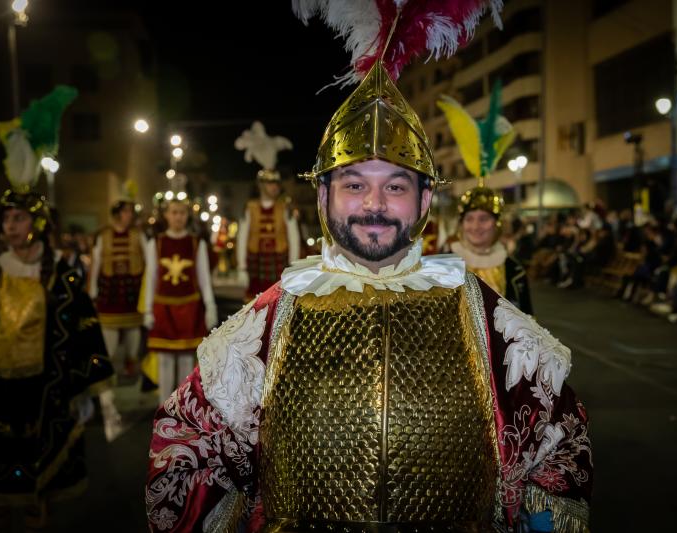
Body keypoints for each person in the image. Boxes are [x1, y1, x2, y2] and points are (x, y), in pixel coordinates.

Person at [146, 6, 591, 532]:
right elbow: (185, 446)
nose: (373, 204)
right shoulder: (264, 326)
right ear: (323, 196)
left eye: (396, 186)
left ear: (425, 201)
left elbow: (560, 450)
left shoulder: (492, 323)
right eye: (354, 184)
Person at [0, 86, 115, 531]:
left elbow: (84, 329)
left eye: (17, 218)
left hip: (43, 387)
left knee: (38, 469)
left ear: (35, 223)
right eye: (6, 219)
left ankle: (36, 508)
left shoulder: (60, 275)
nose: (9, 226)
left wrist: (90, 392)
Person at [437, 82, 533, 314]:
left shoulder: (513, 270)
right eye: (469, 219)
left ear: (497, 223)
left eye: (484, 219)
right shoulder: (443, 265)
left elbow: (529, 325)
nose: (476, 226)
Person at [144, 197, 218, 404]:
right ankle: (164, 406)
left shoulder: (196, 243)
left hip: (189, 306)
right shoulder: (156, 243)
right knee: (165, 359)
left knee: (186, 359)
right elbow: (151, 277)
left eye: (182, 213)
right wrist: (148, 310)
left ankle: (182, 407)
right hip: (164, 306)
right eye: (174, 212)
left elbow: (203, 278)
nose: (178, 217)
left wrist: (210, 305)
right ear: (166, 215)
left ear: (187, 216)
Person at [234, 121, 300, 299]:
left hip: (278, 262)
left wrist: (292, 267)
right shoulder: (250, 207)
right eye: (270, 183)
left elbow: (293, 237)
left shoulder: (285, 206)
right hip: (256, 262)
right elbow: (242, 237)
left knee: (278, 304)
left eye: (275, 184)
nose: (274, 187)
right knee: (255, 306)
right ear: (261, 185)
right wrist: (241, 267)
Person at [89, 179, 147, 378]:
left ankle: (131, 364)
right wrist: (92, 293)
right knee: (109, 340)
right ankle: (109, 372)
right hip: (109, 296)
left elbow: (148, 264)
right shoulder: (102, 236)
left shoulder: (140, 236)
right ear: (117, 213)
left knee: (133, 335)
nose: (129, 215)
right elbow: (95, 264)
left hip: (132, 295)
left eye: (131, 212)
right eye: (126, 211)